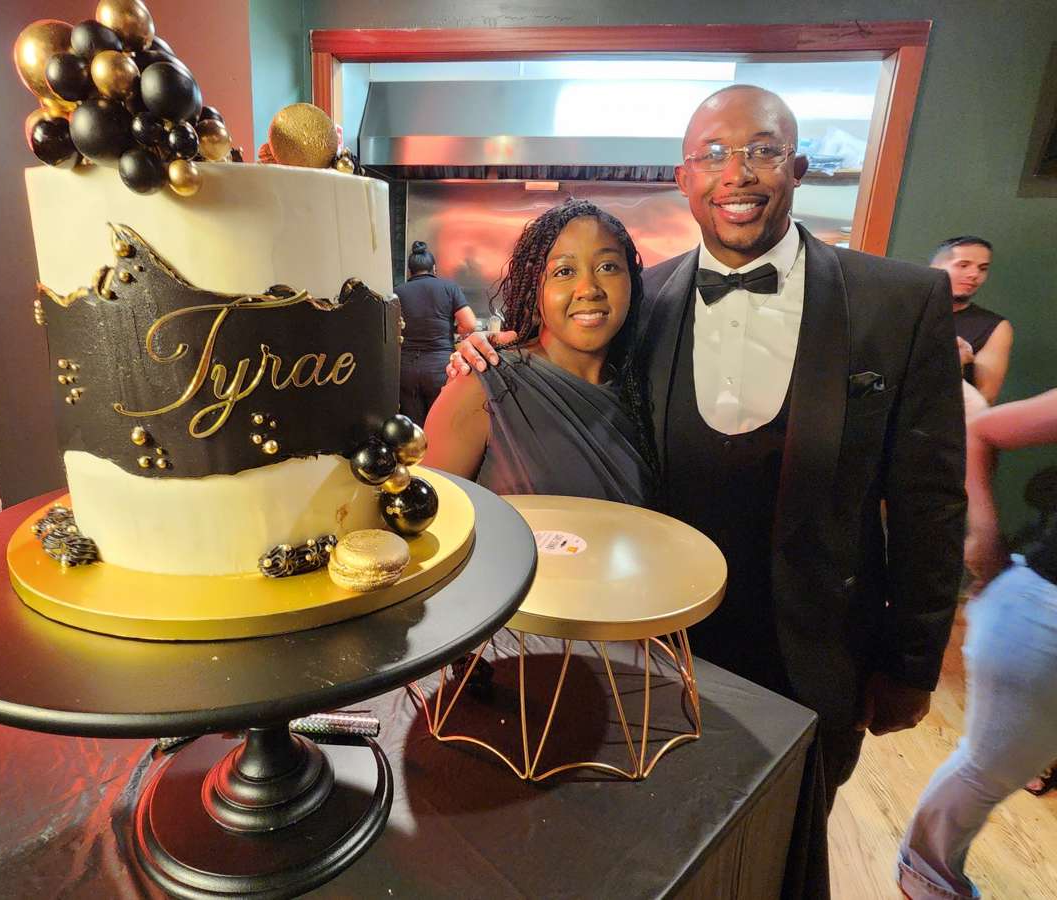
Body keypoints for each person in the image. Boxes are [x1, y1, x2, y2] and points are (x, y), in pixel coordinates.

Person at [451, 85, 966, 895]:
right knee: (655, 848)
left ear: (798, 167)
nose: (738, 173)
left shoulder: (899, 301)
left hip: (818, 652)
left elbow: (931, 500)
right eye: (715, 155)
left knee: (779, 854)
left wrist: (913, 662)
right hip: (662, 648)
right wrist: (484, 352)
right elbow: (559, 359)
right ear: (684, 178)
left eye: (762, 151)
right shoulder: (643, 300)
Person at [898, 389, 1057, 900]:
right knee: (989, 767)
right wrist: (984, 537)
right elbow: (982, 430)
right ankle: (925, 876)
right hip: (1040, 612)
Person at [423, 199, 654, 506]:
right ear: (535, 290)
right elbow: (427, 519)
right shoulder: (482, 385)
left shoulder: (641, 389)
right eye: (564, 271)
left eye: (608, 267)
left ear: (632, 281)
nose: (589, 289)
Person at [396, 240, 477, 426]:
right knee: (440, 425)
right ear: (434, 269)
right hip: (440, 367)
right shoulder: (449, 288)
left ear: (409, 271)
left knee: (414, 428)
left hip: (406, 369)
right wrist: (452, 329)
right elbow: (470, 324)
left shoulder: (397, 292)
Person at [931, 236, 1013, 404]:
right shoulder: (906, 310)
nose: (974, 274)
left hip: (945, 416)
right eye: (963, 265)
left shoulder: (994, 327)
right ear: (936, 267)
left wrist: (955, 364)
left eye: (982, 268)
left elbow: (985, 399)